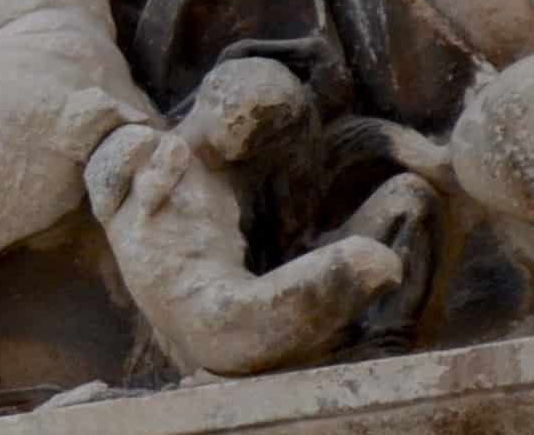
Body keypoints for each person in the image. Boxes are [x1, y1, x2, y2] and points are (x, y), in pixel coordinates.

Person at [86, 58, 405, 378]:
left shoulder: (230, 192)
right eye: (256, 114)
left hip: (236, 308)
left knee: (406, 199)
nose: (253, 132)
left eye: (267, 127)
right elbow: (103, 196)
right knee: (366, 261)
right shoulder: (139, 144)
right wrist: (154, 176)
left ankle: (386, 345)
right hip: (222, 321)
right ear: (217, 92)